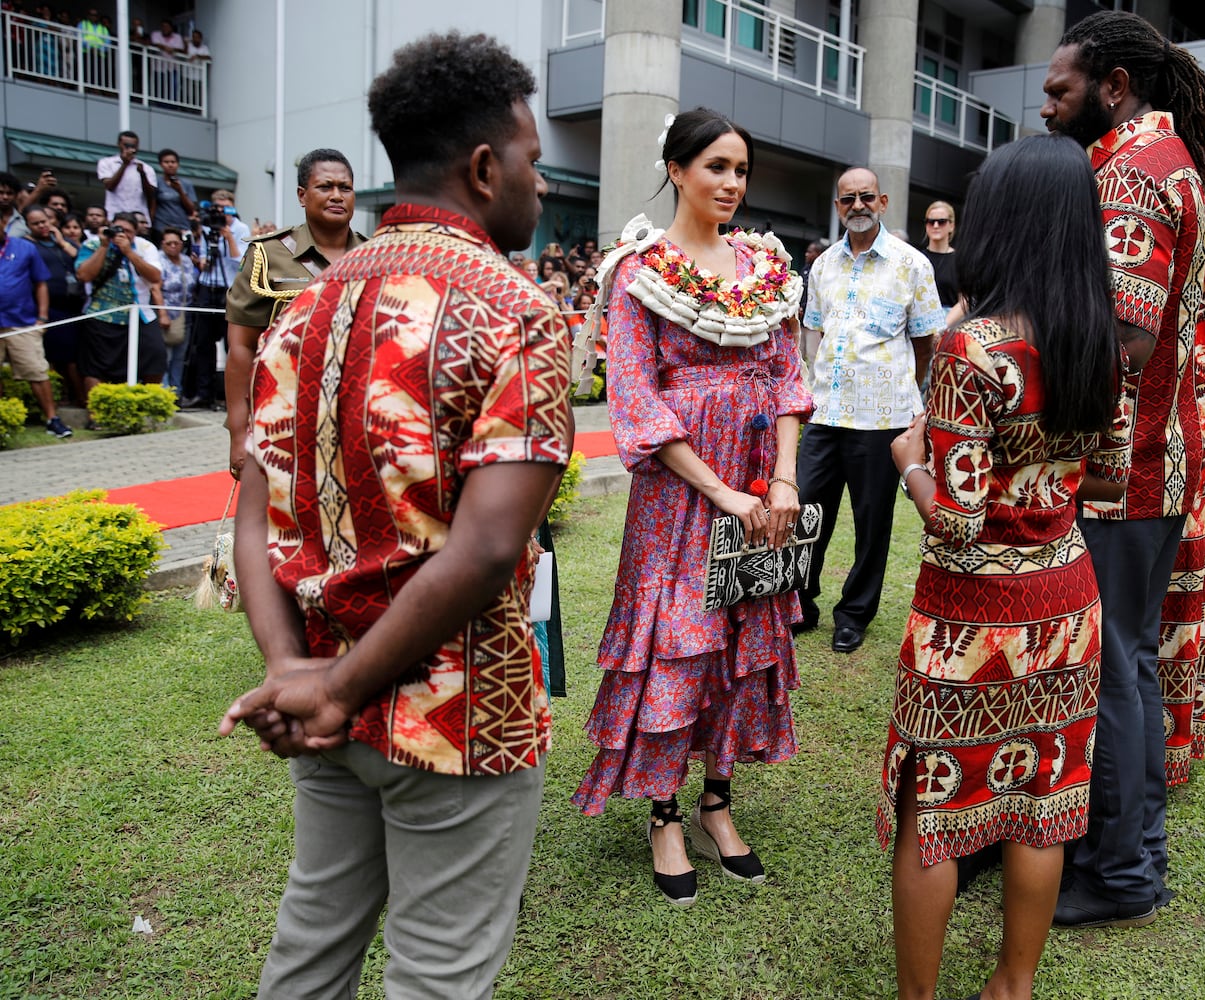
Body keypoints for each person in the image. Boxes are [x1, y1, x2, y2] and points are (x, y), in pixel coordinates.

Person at [216, 31, 571, 997]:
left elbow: (254, 515)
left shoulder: (306, 304)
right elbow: (492, 546)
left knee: (311, 946)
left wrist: (299, 672)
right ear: (485, 166)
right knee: (439, 975)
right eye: (534, 164)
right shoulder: (519, 311)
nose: (540, 188)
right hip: (457, 713)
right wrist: (331, 691)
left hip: (325, 684)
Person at [882, 134, 1127, 1000]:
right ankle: (1013, 986)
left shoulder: (973, 349)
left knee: (934, 806)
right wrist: (1045, 477)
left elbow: (954, 520)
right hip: (1067, 603)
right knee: (1043, 801)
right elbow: (1111, 472)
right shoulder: (1099, 342)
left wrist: (908, 458)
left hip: (972, 613)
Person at [571, 107, 812, 907]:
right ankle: (663, 813)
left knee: (743, 635)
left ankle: (717, 801)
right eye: (716, 167)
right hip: (682, 495)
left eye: (741, 170)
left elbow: (786, 380)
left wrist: (779, 482)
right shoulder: (638, 272)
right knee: (678, 641)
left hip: (758, 483)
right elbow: (636, 399)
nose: (732, 184)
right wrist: (721, 493)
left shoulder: (767, 267)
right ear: (676, 170)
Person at [1041, 9, 1205, 927]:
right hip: (1159, 464)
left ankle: (1117, 875)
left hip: (1122, 469)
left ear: (1113, 87)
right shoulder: (1167, 161)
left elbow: (1128, 337)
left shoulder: (1132, 177)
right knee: (1133, 665)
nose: (1046, 107)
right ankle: (1133, 852)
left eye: (1059, 91)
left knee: (1111, 669)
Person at [797, 166, 944, 653]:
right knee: (806, 513)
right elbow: (812, 330)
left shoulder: (912, 264)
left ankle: (853, 615)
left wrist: (910, 395)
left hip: (882, 419)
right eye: (847, 199)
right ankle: (801, 603)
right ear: (838, 207)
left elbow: (926, 342)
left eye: (866, 197)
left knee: (871, 521)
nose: (856, 206)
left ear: (882, 202)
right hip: (825, 413)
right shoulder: (823, 266)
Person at [223, 148, 365, 477]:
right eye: (324, 187)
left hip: (356, 421)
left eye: (345, 188)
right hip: (283, 419)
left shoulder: (376, 256)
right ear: (302, 195)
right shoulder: (269, 256)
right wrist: (237, 435)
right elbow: (241, 349)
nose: (336, 196)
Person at [73, 212, 165, 394]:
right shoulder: (92, 244)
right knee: (95, 366)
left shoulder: (145, 247)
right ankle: (96, 415)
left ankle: (148, 404)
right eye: (118, 229)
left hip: (140, 314)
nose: (122, 234)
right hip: (101, 313)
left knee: (156, 356)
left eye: (128, 231)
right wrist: (103, 246)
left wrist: (129, 252)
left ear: (135, 232)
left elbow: (155, 277)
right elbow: (84, 275)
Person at [1, 211, 71, 437]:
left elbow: (40, 283)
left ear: (5, 223)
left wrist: (41, 318)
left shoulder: (24, 247)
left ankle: (53, 419)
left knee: (37, 372)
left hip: (22, 322)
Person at [180, 189, 244, 409]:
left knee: (232, 346)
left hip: (230, 289)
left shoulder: (240, 228)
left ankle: (231, 397)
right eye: (216, 207)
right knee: (203, 345)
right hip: (208, 287)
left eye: (223, 207)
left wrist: (228, 237)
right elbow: (206, 260)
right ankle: (203, 394)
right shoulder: (208, 227)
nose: (219, 212)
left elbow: (241, 261)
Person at [22, 205, 86, 407]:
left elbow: (80, 259)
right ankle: (59, 399)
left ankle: (80, 398)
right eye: (36, 223)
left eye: (44, 221)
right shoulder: (25, 245)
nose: (42, 226)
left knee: (72, 357)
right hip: (44, 308)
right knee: (50, 357)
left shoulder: (63, 242)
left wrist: (60, 242)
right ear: (27, 225)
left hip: (71, 307)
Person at [156, 228, 195, 398]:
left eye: (176, 243)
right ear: (162, 244)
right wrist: (162, 313)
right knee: (166, 357)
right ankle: (165, 393)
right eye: (168, 243)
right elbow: (155, 287)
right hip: (167, 314)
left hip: (186, 314)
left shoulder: (186, 260)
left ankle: (176, 392)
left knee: (180, 357)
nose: (173, 246)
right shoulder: (158, 259)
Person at [97, 130, 157, 226]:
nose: (130, 149)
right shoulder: (106, 163)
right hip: (114, 216)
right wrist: (125, 164)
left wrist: (143, 175)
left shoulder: (146, 168)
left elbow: (151, 195)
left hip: (139, 220)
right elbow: (109, 186)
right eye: (126, 145)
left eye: (133, 146)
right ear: (119, 144)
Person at [920, 200, 959, 310]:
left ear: (951, 226)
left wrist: (943, 325)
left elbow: (964, 302)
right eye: (930, 221)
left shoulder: (960, 261)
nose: (935, 226)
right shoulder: (917, 258)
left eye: (941, 221)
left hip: (952, 323)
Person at [153, 149, 197, 234]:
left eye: (173, 162)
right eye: (166, 162)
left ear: (178, 164)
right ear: (160, 164)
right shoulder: (156, 182)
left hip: (182, 228)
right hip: (161, 228)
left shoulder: (186, 183)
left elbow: (191, 210)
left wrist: (180, 191)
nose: (170, 165)